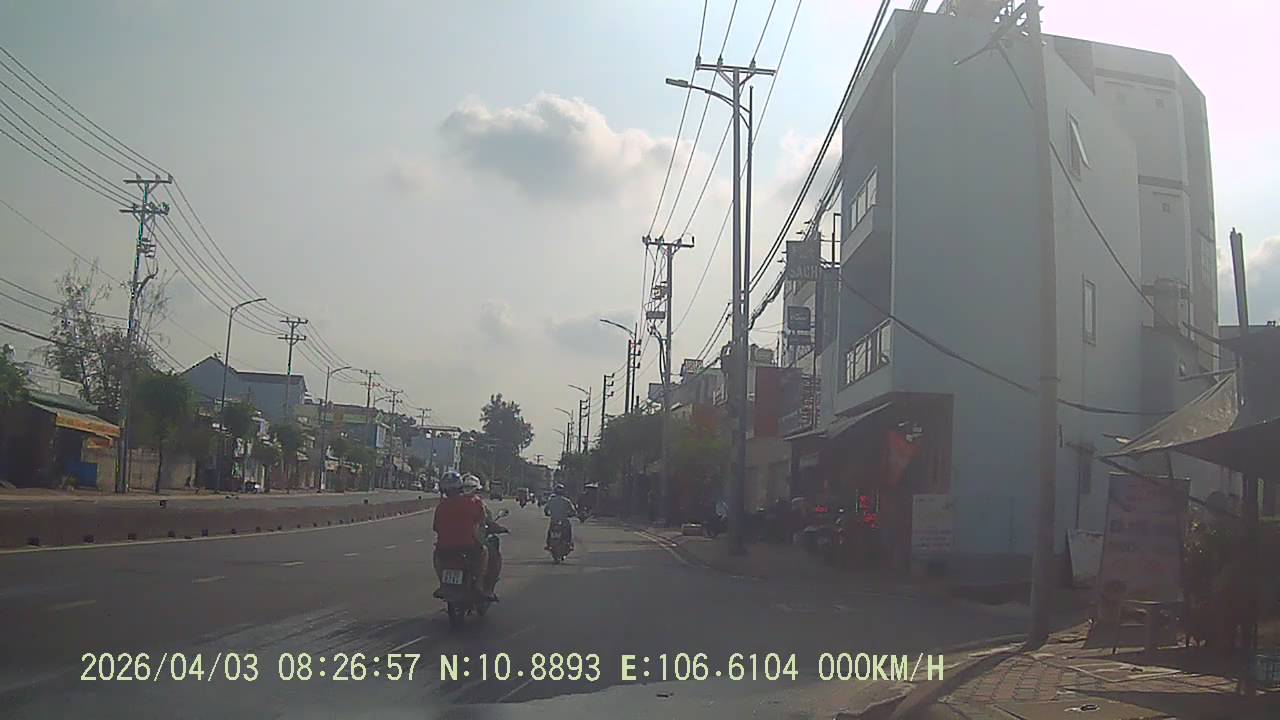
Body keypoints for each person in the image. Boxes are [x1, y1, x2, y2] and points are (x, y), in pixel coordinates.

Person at [431, 471, 494, 600]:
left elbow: (436, 528)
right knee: (484, 552)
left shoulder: (441, 506)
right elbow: (482, 522)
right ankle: (479, 584)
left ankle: (442, 584)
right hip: (468, 547)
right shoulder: (474, 502)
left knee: (436, 556)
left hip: (444, 549)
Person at [543, 483, 577, 550]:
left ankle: (548, 544)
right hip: (564, 520)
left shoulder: (551, 500)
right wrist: (572, 514)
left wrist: (547, 513)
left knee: (550, 531)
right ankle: (568, 543)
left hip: (554, 520)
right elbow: (573, 511)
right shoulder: (566, 501)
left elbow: (546, 509)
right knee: (568, 530)